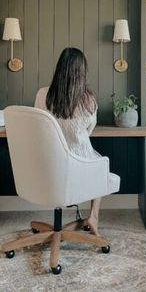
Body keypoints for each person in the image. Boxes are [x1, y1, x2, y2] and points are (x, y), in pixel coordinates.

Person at [35, 47, 102, 236]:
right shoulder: (89, 101)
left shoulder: (42, 95)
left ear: (59, 69)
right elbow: (89, 132)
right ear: (82, 72)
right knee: (101, 164)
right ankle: (93, 217)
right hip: (77, 169)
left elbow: (39, 126)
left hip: (48, 166)